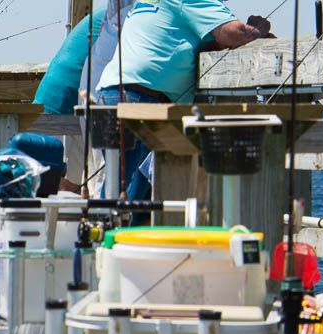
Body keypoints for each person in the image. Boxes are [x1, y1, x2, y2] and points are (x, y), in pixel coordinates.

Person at [96, 0, 271, 199]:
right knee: (129, 197)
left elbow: (204, 39)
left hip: (112, 96)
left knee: (118, 191)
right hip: (140, 99)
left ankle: (104, 228)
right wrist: (259, 28)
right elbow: (233, 33)